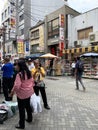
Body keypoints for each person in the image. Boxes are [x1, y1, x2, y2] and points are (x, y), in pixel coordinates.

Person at [10, 61, 35, 129]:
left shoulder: (19, 74)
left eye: (17, 65)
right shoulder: (29, 72)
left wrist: (12, 92)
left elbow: (17, 86)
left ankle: (22, 125)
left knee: (21, 109)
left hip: (22, 94)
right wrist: (30, 88)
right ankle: (30, 118)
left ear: (20, 66)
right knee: (27, 106)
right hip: (29, 92)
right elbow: (32, 81)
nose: (16, 67)